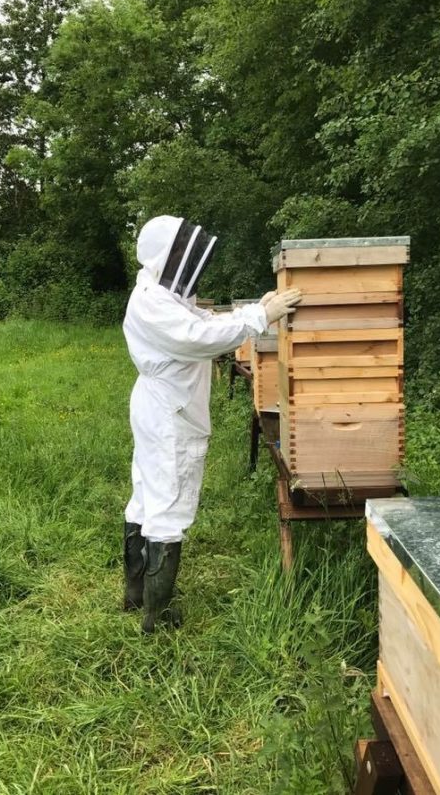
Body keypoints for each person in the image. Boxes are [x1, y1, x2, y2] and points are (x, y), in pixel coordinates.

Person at [122, 214, 302, 633]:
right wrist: (260, 318)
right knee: (168, 499)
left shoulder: (159, 294)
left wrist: (257, 308)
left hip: (160, 405)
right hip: (171, 411)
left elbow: (203, 321)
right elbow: (197, 337)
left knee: (147, 495)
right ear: (166, 256)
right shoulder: (152, 302)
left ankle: (135, 595)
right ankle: (157, 617)